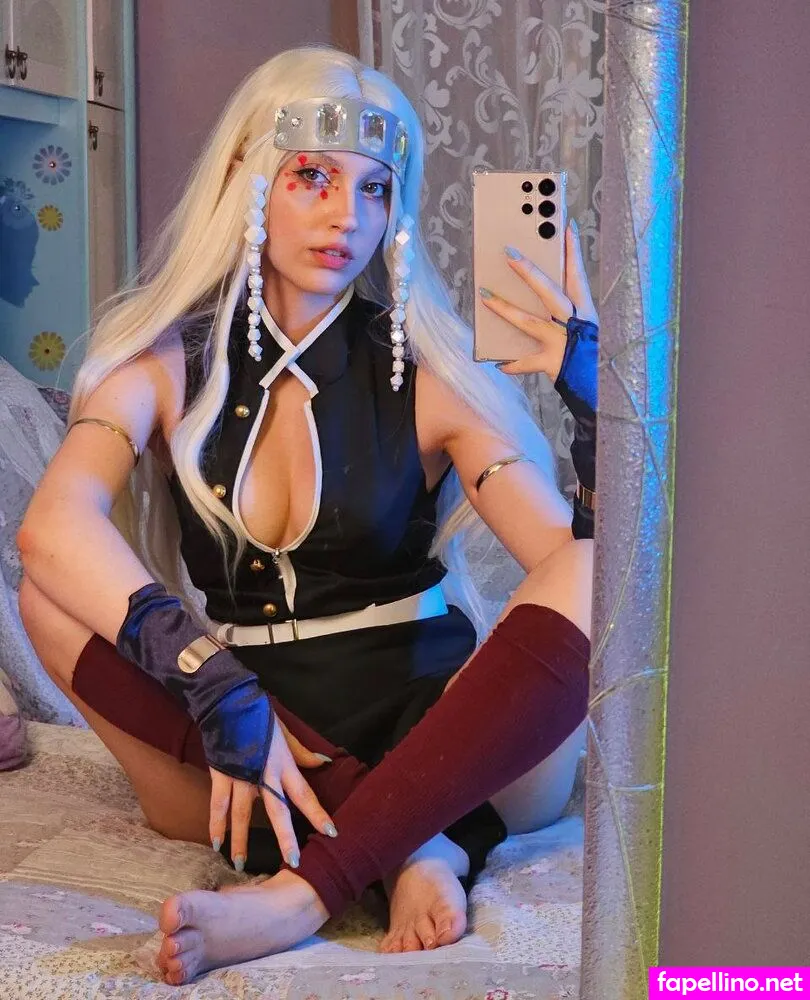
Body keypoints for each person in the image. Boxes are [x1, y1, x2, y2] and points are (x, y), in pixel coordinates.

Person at [16, 46, 599, 986]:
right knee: (48, 593)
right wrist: (214, 681)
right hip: (245, 747)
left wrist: (596, 414)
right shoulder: (161, 363)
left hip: (442, 737)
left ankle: (307, 889)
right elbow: (51, 528)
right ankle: (413, 844)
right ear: (246, 177)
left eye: (375, 189)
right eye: (314, 177)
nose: (346, 217)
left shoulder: (430, 371)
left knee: (593, 570)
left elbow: (584, 575)